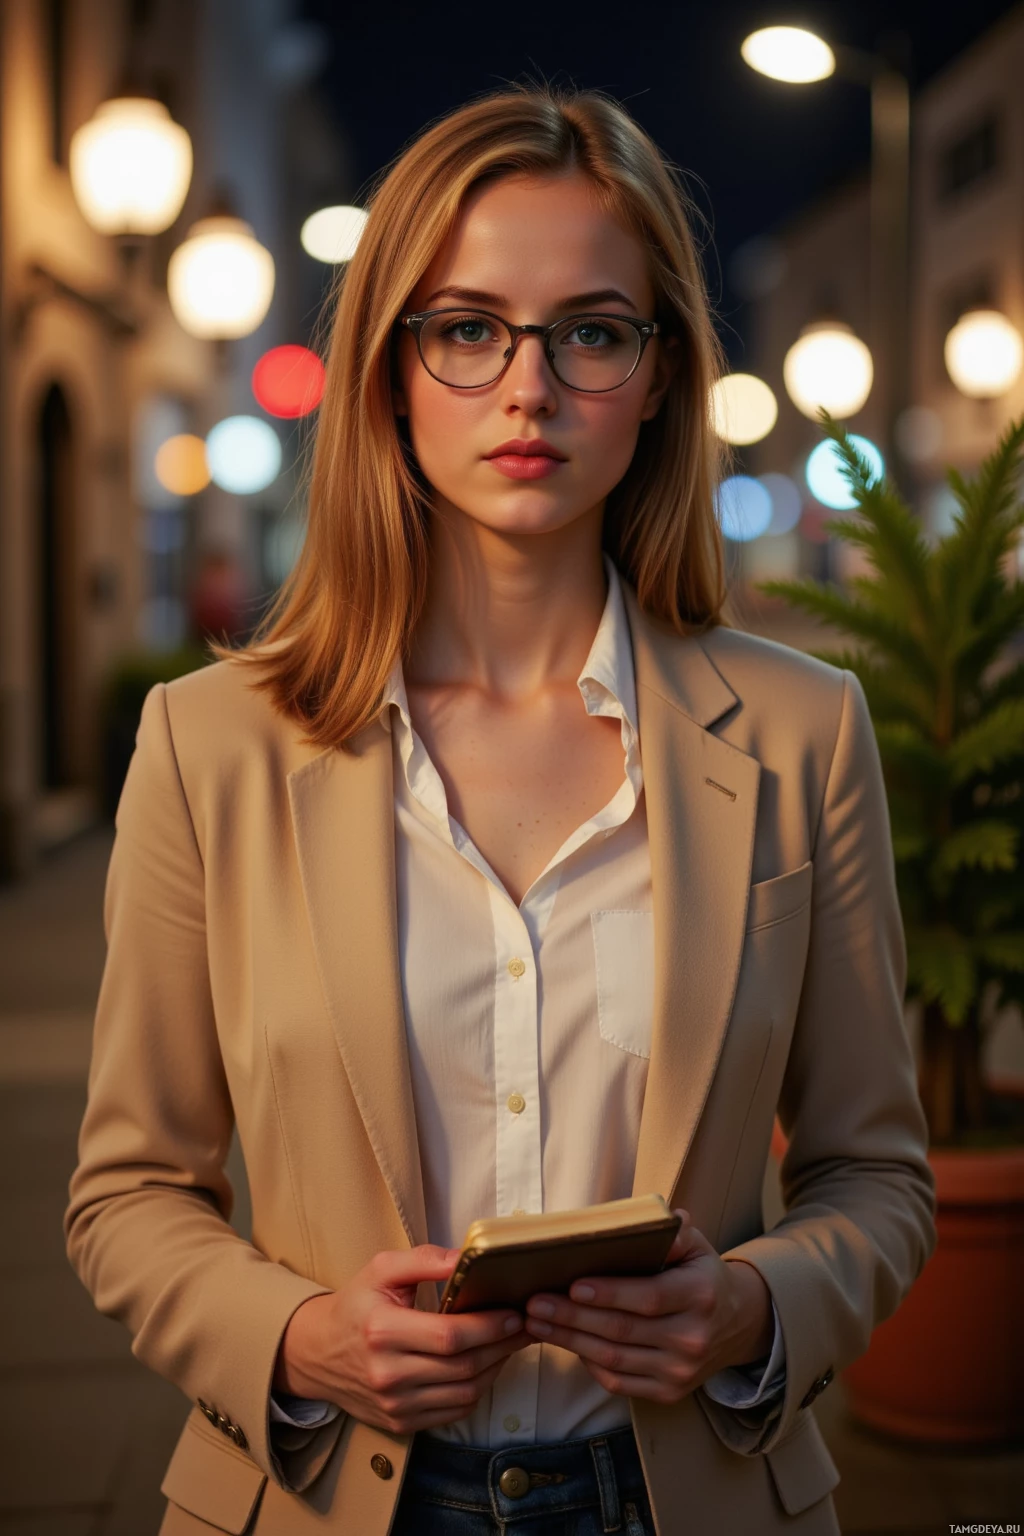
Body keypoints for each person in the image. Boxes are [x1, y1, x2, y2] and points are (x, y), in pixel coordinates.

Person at [65, 87, 936, 1536]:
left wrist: (749, 1307)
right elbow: (127, 1192)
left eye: (591, 332)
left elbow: (878, 1176)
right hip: (331, 1495)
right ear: (389, 369)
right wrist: (297, 1341)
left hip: (684, 1498)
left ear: (657, 375)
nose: (529, 387)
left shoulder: (803, 732)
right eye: (468, 329)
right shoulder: (209, 745)